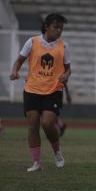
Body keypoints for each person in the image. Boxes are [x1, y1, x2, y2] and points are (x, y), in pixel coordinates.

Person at [9, 13, 71, 172]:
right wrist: (15, 71)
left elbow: (68, 68)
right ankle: (37, 162)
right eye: (55, 27)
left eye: (61, 28)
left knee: (48, 123)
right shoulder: (32, 42)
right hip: (32, 89)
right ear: (46, 27)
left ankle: (57, 151)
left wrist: (66, 75)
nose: (59, 31)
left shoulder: (64, 46)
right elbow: (20, 60)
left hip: (53, 89)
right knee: (33, 125)